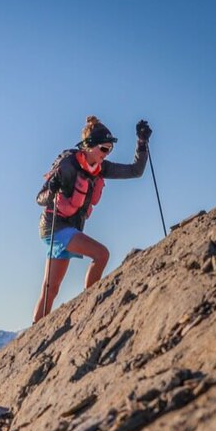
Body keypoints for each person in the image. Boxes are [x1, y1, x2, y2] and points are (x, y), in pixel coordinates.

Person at [33, 116, 152, 323]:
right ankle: (91, 305)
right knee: (102, 254)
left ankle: (35, 330)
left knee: (50, 290)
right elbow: (40, 199)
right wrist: (51, 190)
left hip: (70, 228)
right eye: (104, 149)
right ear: (89, 147)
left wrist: (142, 143)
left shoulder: (100, 168)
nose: (106, 155)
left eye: (109, 150)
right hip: (55, 227)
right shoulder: (68, 164)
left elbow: (136, 171)